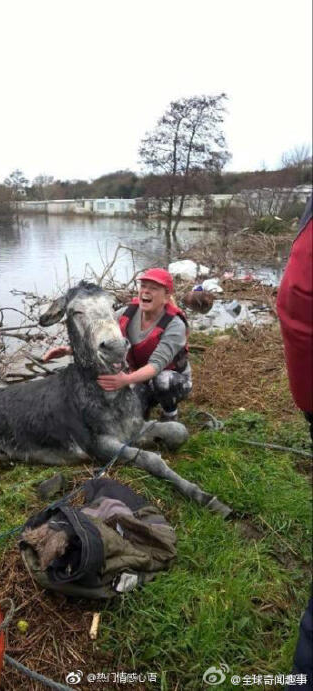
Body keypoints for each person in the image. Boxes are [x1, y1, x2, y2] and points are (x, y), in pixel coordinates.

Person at [42, 268, 192, 421]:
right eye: (143, 287)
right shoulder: (127, 313)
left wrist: (125, 380)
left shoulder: (175, 325)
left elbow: (156, 365)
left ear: (166, 297)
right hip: (137, 376)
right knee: (130, 412)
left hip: (169, 377)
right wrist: (69, 350)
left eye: (153, 288)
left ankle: (170, 413)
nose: (146, 292)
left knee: (164, 382)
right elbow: (104, 340)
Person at [276, 194, 312, 691]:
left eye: (152, 290)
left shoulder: (174, 321)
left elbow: (299, 298)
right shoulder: (131, 313)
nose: (143, 296)